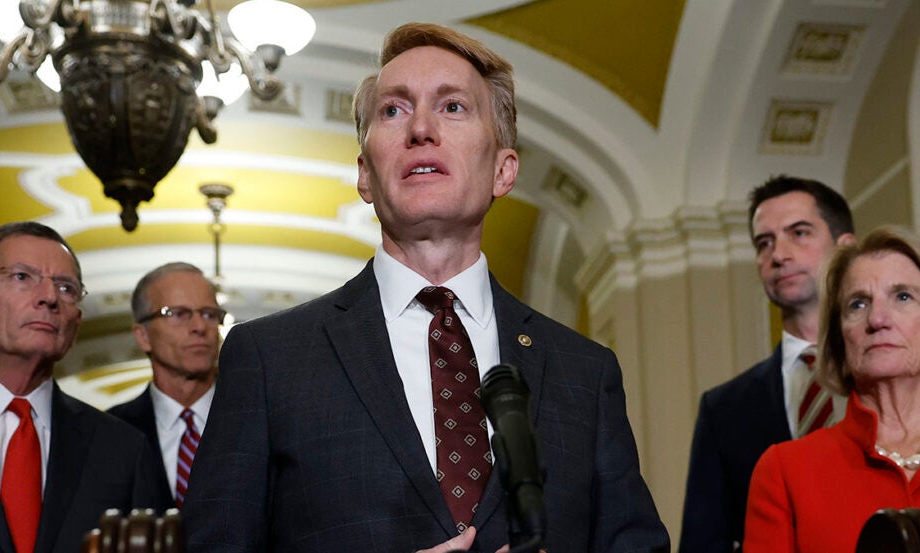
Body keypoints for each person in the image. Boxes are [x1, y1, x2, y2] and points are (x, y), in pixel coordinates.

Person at [183, 22, 669, 553]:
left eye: (453, 107)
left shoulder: (585, 371)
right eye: (393, 110)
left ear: (504, 171)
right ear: (365, 174)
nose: (420, 128)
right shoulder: (268, 359)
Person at [0, 221, 165, 553]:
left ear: (76, 322)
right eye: (22, 277)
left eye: (66, 288)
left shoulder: (122, 449)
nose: (49, 297)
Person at [679, 176, 856, 552]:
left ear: (847, 249)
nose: (779, 254)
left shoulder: (895, 374)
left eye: (799, 232)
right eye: (765, 242)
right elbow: (704, 542)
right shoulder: (723, 408)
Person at [744, 226, 920, 552]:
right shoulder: (786, 471)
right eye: (858, 304)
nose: (877, 319)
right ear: (839, 341)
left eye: (903, 296)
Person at [108, 262, 223, 509]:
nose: (200, 327)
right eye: (178, 314)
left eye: (209, 314)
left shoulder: (257, 420)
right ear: (143, 336)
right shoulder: (110, 432)